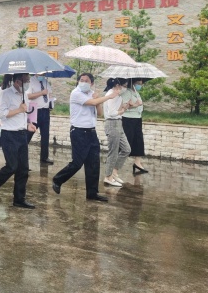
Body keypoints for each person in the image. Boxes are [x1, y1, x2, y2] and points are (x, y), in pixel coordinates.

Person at [51, 73, 120, 203]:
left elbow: (100, 112)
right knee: (77, 162)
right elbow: (92, 102)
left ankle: (92, 193)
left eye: (86, 80)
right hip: (78, 132)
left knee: (93, 163)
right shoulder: (75, 93)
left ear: (91, 83)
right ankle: (58, 179)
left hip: (91, 132)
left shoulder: (92, 94)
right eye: (81, 80)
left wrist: (98, 100)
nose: (82, 82)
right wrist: (108, 96)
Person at [0, 73, 37, 209]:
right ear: (18, 81)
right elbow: (1, 114)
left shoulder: (25, 95)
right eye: (26, 80)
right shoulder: (5, 93)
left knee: (23, 169)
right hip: (9, 134)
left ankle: (19, 199)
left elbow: (24, 114)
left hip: (22, 134)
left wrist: (28, 124)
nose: (28, 83)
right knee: (12, 166)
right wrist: (19, 109)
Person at [102, 77, 132, 187]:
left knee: (126, 149)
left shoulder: (117, 95)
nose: (125, 88)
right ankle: (108, 176)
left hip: (118, 123)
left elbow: (118, 111)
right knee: (113, 152)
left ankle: (114, 172)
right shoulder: (111, 94)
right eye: (124, 86)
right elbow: (111, 113)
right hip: (112, 123)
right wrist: (122, 110)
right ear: (117, 85)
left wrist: (125, 107)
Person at [26, 72, 54, 165]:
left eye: (44, 73)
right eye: (41, 73)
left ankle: (44, 157)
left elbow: (49, 94)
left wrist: (51, 102)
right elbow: (28, 96)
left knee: (45, 135)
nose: (43, 74)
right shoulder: (31, 81)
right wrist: (41, 93)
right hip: (35, 109)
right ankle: (20, 154)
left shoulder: (46, 82)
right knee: (29, 133)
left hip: (45, 110)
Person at [122, 78, 149, 174]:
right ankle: (115, 163)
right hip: (128, 118)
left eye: (141, 83)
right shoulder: (127, 92)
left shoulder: (136, 92)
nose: (140, 85)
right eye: (138, 83)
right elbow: (124, 106)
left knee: (139, 140)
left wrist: (138, 105)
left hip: (137, 118)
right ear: (133, 82)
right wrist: (136, 105)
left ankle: (137, 162)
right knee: (127, 140)